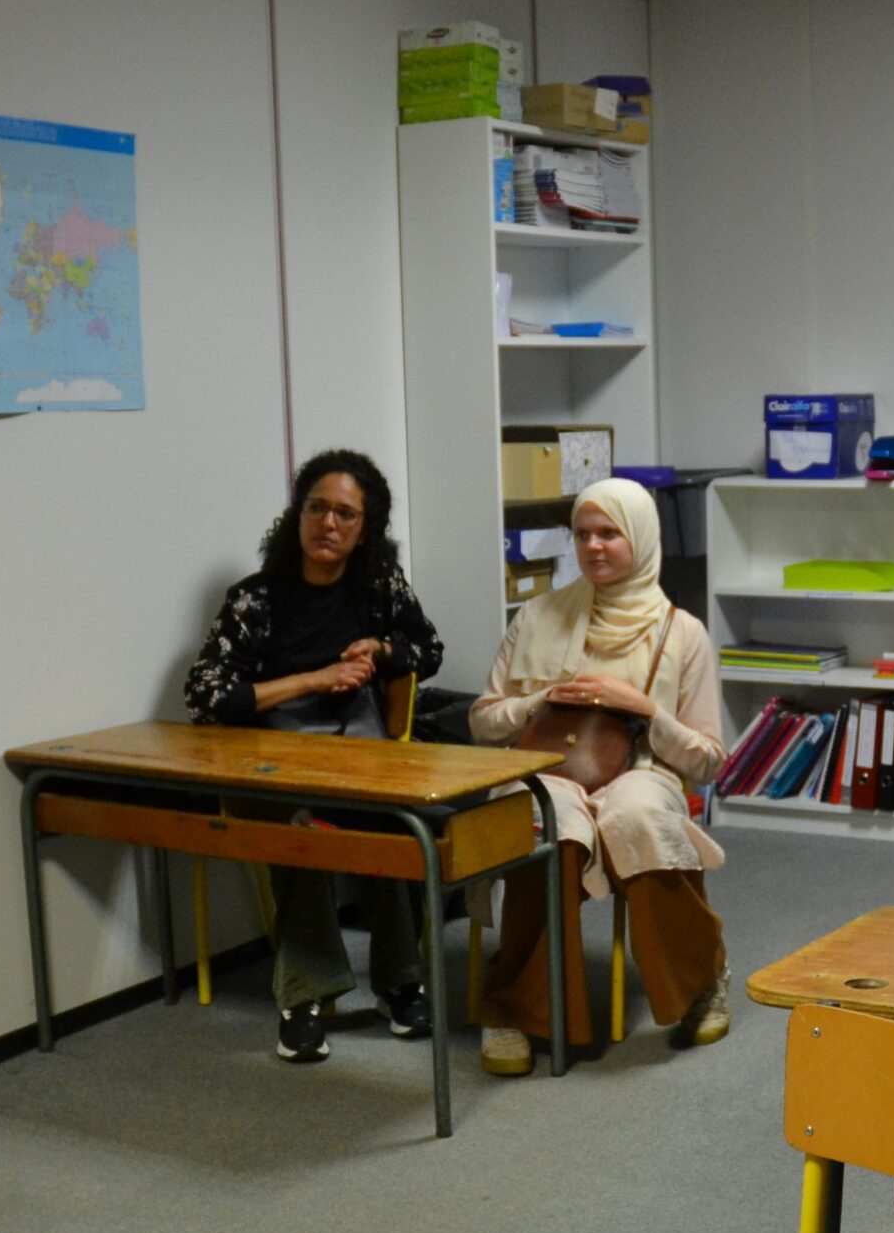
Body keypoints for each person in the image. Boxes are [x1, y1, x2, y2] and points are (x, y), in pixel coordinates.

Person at [184, 450, 444, 1065]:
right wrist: (311, 679)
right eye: (317, 507)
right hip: (272, 754)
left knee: (400, 821)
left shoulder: (378, 587)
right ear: (297, 515)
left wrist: (381, 650)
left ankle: (400, 983)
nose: (328, 523)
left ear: (365, 528)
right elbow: (206, 695)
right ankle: (303, 998)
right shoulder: (254, 600)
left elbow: (427, 647)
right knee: (303, 832)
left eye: (345, 514)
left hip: (358, 747)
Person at [470, 477, 727, 1078]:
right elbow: (483, 722)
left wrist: (642, 709)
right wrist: (538, 703)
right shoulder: (538, 616)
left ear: (638, 536)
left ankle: (700, 980)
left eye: (609, 533)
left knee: (637, 816)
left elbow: (707, 760)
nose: (594, 546)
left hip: (643, 767)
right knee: (548, 822)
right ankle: (512, 1006)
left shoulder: (681, 632)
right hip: (543, 765)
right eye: (583, 534)